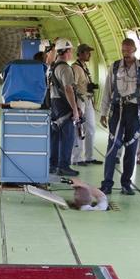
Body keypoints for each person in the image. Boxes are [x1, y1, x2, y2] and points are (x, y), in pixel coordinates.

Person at [99, 39, 140, 196]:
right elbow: (107, 90)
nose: (126, 54)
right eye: (123, 50)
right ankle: (107, 184)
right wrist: (103, 112)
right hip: (117, 110)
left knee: (131, 148)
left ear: (135, 50)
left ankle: (126, 183)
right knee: (112, 147)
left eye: (129, 51)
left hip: (134, 111)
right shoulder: (115, 67)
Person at [48, 38, 81, 179]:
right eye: (71, 50)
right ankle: (64, 166)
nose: (71, 53)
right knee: (67, 137)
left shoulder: (52, 67)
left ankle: (53, 164)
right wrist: (75, 109)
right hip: (63, 105)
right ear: (66, 51)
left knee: (55, 136)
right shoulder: (65, 68)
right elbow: (68, 89)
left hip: (53, 103)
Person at [71, 43, 102, 167]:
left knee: (91, 129)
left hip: (87, 100)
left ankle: (89, 156)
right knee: (79, 129)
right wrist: (76, 105)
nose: (89, 55)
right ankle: (77, 158)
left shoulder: (84, 67)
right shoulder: (76, 68)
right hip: (81, 101)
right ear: (81, 53)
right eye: (87, 52)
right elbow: (72, 86)